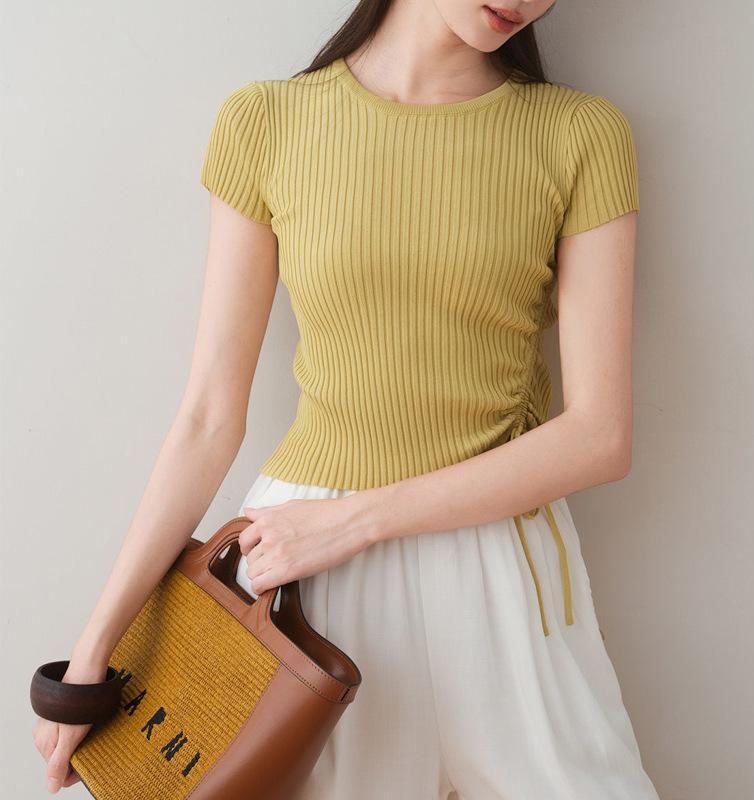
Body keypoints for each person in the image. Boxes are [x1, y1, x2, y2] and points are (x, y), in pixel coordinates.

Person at [33, 1, 661, 798]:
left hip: (493, 565)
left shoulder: (581, 134)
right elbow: (207, 418)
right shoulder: (267, 122)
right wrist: (94, 653)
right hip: (300, 590)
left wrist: (355, 522)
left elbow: (599, 436)